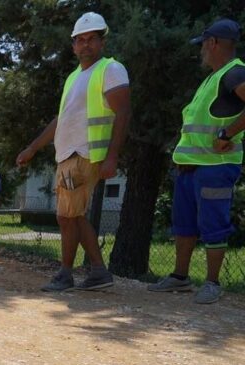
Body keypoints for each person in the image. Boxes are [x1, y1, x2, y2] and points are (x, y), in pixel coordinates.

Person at [17, 12, 131, 292]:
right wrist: (33, 147)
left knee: (67, 217)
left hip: (85, 153)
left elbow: (124, 113)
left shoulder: (110, 69)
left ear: (102, 42)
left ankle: (65, 274)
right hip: (68, 154)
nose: (86, 45)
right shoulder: (74, 78)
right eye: (80, 40)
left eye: (92, 39)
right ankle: (98, 271)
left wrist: (112, 157)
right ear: (73, 46)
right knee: (72, 215)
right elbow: (62, 119)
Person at [148, 18, 245, 304]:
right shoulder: (213, 78)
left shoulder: (234, 73)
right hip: (192, 167)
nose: (201, 50)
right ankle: (180, 277)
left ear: (213, 42)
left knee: (213, 225)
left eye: (203, 44)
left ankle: (213, 283)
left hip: (215, 167)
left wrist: (227, 133)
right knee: (184, 224)